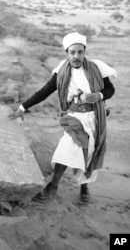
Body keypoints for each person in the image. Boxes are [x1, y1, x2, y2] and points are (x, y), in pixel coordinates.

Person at [9, 32, 116, 203]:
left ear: (84, 52)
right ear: (66, 53)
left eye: (80, 52)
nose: (76, 56)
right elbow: (44, 91)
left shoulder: (97, 68)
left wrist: (99, 96)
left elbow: (110, 90)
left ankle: (84, 187)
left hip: (95, 117)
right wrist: (23, 107)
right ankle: (53, 185)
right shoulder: (61, 71)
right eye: (72, 52)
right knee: (68, 146)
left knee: (89, 153)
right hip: (73, 117)